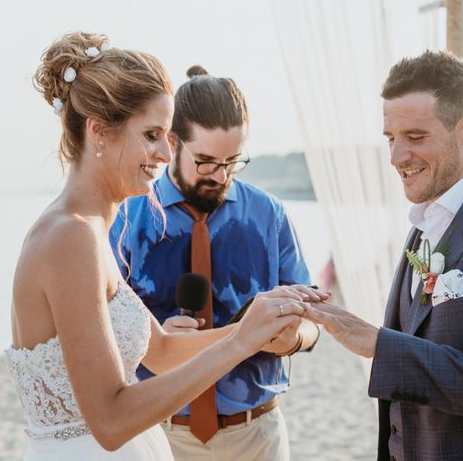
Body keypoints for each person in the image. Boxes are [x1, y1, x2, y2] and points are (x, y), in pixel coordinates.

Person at [5, 32, 321, 460]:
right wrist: (239, 345)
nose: (163, 152)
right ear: (99, 131)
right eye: (152, 134)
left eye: (168, 136)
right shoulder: (70, 236)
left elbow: (164, 350)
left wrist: (256, 326)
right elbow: (111, 422)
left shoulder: (94, 227)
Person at [305, 51, 463, 460]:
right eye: (391, 139)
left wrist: (380, 344)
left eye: (415, 137)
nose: (396, 157)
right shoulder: (424, 223)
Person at [109, 66, 321, 461]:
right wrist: (152, 342)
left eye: (233, 162)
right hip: (158, 435)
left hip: (258, 435)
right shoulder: (126, 218)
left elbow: (312, 322)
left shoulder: (269, 215)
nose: (220, 176)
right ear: (173, 142)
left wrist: (291, 338)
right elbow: (97, 333)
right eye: (205, 161)